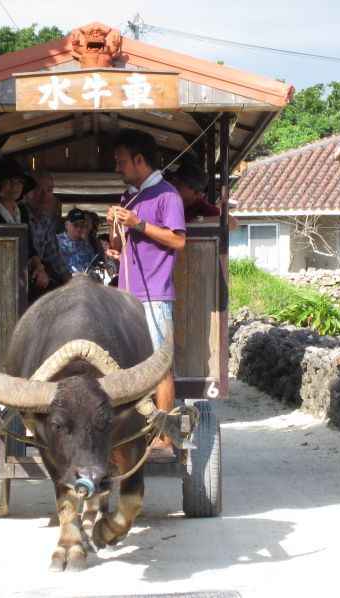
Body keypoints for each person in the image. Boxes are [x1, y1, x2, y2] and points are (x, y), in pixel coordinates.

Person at [106, 128, 186, 461]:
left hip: (155, 295)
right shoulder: (130, 196)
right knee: (125, 365)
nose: (117, 167)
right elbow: (117, 246)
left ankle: (165, 435)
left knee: (160, 367)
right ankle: (128, 432)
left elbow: (178, 240)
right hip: (127, 294)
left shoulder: (168, 195)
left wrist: (138, 224)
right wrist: (114, 224)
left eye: (121, 161)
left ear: (139, 160)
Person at [0, 156, 49, 293]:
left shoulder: (22, 211)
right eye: (9, 181)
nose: (15, 186)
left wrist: (39, 268)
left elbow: (30, 247)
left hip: (22, 276)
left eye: (19, 182)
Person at [21, 169, 71, 302]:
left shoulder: (45, 221)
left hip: (36, 279)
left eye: (49, 190)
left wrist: (72, 284)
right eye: (39, 190)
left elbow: (55, 257)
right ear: (26, 192)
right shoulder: (17, 214)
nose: (44, 195)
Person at [167, 158, 239, 229]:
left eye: (180, 184)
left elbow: (233, 223)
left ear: (196, 193)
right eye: (173, 181)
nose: (173, 185)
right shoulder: (164, 200)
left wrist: (199, 220)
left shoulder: (201, 207)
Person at [57, 208, 97, 274]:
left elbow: (92, 267)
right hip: (64, 281)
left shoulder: (87, 246)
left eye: (82, 224)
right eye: (75, 224)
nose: (79, 227)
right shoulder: (56, 241)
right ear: (66, 225)